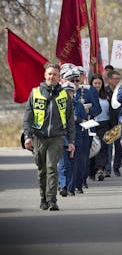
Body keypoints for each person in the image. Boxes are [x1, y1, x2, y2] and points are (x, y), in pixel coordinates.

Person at [23, 62, 76, 211]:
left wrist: (71, 141)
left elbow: (70, 119)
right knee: (42, 170)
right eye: (50, 74)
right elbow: (28, 117)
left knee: (52, 167)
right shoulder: (35, 93)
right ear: (45, 75)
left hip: (57, 137)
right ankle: (43, 198)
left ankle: (52, 200)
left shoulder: (64, 94)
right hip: (39, 137)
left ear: (59, 77)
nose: (52, 76)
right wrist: (28, 136)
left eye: (55, 74)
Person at [90, 73, 111, 181]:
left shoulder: (107, 95)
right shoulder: (88, 94)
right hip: (92, 124)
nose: (97, 85)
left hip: (104, 124)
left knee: (103, 147)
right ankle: (91, 170)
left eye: (99, 83)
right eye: (95, 83)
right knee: (93, 146)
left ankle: (100, 169)